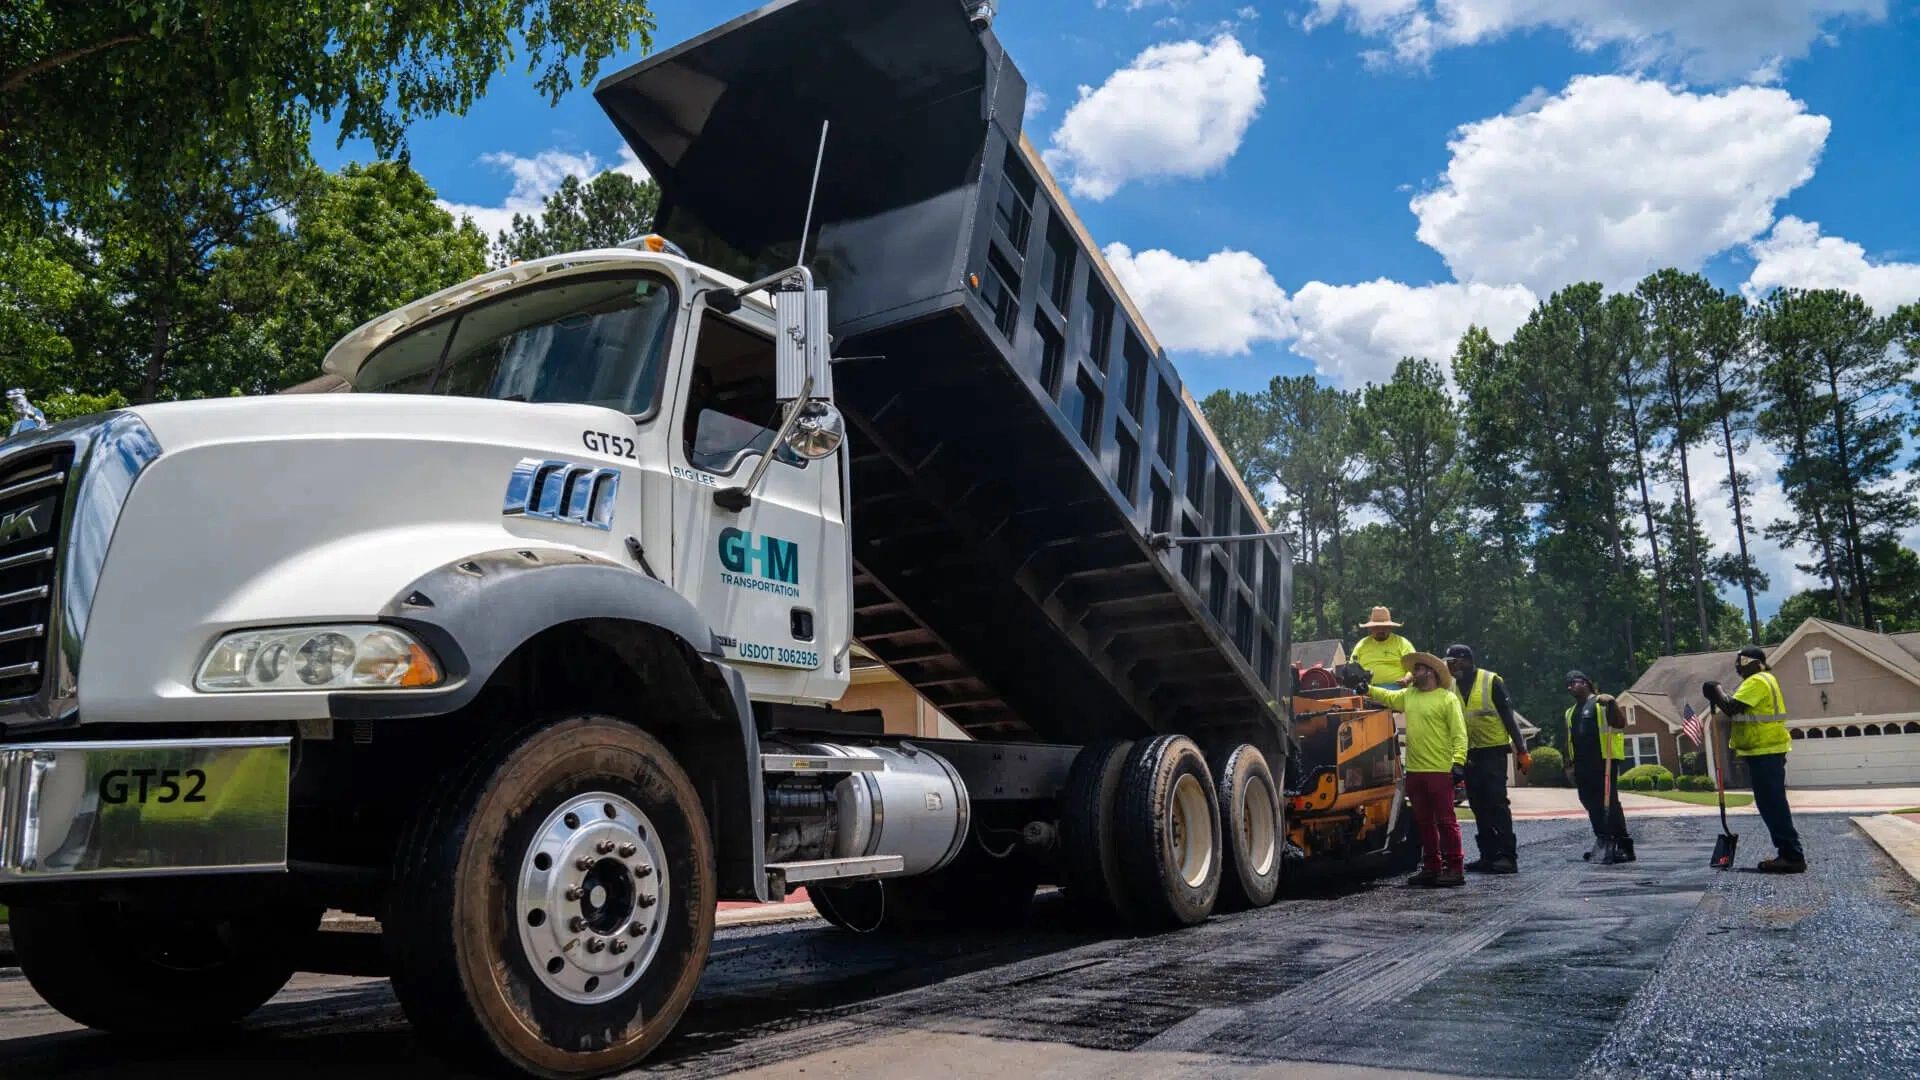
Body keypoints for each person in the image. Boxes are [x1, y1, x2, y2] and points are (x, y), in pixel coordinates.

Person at [1343, 652, 1468, 886]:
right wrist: (1367, 688)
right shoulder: (1410, 696)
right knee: (1423, 821)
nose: (1414, 673)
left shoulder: (1447, 699)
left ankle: (1455, 868)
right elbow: (1389, 697)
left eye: (1418, 669)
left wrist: (1458, 762)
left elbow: (1459, 734)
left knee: (1446, 821)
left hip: (1440, 769)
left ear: (1430, 672)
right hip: (1416, 769)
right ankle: (1431, 866)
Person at [1705, 645, 1803, 873]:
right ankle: (1789, 853)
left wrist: (1716, 690)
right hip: (1765, 751)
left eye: (1742, 661)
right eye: (1737, 661)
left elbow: (1731, 707)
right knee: (1771, 803)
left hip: (1766, 751)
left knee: (1773, 805)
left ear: (1756, 663)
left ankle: (1792, 856)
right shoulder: (1764, 680)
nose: (1738, 666)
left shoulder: (1758, 680)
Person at [1444, 644, 1532, 874]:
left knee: (1497, 804)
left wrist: (1521, 750)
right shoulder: (1451, 686)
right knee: (1478, 806)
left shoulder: (1491, 681)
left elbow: (1508, 717)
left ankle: (1507, 857)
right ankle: (1488, 855)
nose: (1450, 667)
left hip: (1493, 753)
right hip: (1468, 755)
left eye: (1453, 662)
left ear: (1465, 660)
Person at [1563, 670, 1633, 864]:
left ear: (1585, 683)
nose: (1570, 687)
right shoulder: (1570, 712)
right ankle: (1603, 840)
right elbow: (1570, 739)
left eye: (1574, 683)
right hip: (1582, 764)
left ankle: (1623, 845)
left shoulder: (1600, 704)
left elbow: (1620, 723)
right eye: (1567, 685)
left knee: (1608, 802)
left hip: (1604, 760)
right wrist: (1568, 763)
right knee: (1589, 802)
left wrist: (1611, 703)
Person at [1351, 607, 1416, 690]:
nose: (1381, 630)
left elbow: (1414, 666)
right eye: (1377, 627)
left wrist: (1406, 679)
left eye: (1384, 627)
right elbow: (1352, 668)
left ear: (1390, 627)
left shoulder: (1402, 643)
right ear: (1370, 628)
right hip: (1367, 689)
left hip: (1397, 689)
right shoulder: (1361, 645)